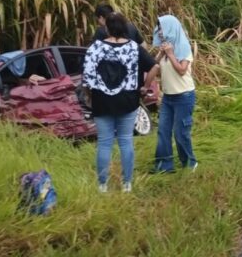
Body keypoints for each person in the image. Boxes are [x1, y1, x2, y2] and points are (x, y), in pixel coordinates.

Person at [83, 13, 158, 193]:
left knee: (104, 143)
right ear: (125, 28)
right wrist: (145, 87)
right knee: (126, 141)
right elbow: (155, 66)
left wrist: (89, 96)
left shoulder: (95, 48)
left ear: (106, 28)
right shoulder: (133, 47)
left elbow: (87, 79)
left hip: (101, 102)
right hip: (128, 101)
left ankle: (102, 185)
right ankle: (127, 183)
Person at [147, 15, 198, 173]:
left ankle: (189, 163)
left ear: (171, 28)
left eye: (162, 28)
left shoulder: (183, 47)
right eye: (159, 29)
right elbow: (155, 70)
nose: (160, 32)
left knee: (180, 133)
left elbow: (182, 70)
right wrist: (161, 56)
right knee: (163, 131)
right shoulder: (164, 49)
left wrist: (170, 54)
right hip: (168, 97)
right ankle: (164, 166)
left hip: (184, 96)